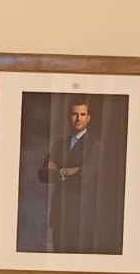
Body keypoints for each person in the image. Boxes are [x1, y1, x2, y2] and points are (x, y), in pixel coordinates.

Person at [37, 99, 102, 252]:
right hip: (59, 216)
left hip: (81, 219)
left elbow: (84, 177)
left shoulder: (95, 145)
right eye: (74, 114)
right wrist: (68, 171)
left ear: (88, 118)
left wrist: (58, 170)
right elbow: (42, 174)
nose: (78, 118)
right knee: (58, 261)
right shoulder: (59, 144)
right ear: (69, 117)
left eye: (82, 114)